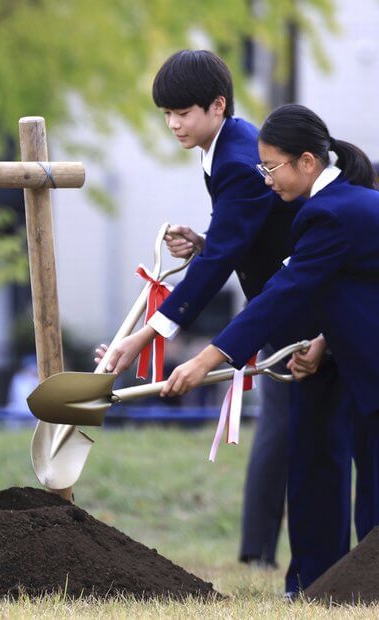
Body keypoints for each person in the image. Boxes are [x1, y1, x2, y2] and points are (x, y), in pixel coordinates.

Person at [160, 104, 379, 595]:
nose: (265, 179)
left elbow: (285, 292)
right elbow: (353, 288)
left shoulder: (329, 214)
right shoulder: (341, 204)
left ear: (307, 162)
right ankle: (341, 588)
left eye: (271, 167)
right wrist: (324, 342)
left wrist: (208, 357)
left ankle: (358, 589)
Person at [98, 50, 301, 567]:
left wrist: (146, 336)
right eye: (166, 114)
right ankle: (276, 559)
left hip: (303, 310)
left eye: (182, 113)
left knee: (310, 437)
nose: (173, 125)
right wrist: (208, 241)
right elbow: (242, 234)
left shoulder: (236, 158)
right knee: (293, 432)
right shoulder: (227, 146)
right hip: (282, 306)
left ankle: (305, 567)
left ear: (217, 105)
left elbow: (221, 265)